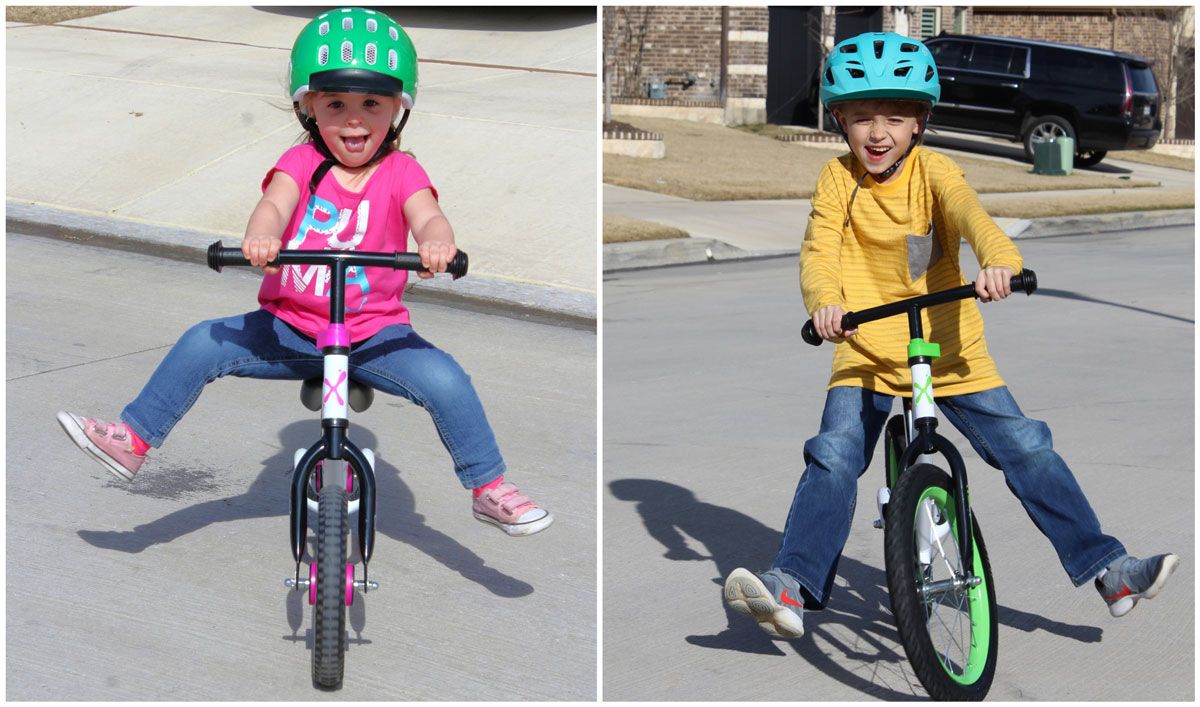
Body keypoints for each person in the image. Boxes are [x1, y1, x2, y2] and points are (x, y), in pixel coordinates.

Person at [723, 32, 1175, 639]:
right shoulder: (836, 181)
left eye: (894, 116)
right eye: (861, 118)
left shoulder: (936, 171)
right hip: (863, 347)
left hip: (950, 352)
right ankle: (791, 588)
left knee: (1027, 447)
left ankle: (1109, 569)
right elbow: (819, 252)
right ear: (840, 122)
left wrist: (1000, 262)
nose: (877, 132)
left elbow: (971, 216)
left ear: (919, 122)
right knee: (832, 454)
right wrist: (825, 302)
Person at [57, 7, 552, 537]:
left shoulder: (402, 171)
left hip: (375, 334)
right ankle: (133, 440)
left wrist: (437, 245)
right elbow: (275, 202)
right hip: (289, 327)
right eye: (335, 103)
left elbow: (427, 214)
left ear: (397, 109)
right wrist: (261, 235)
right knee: (202, 342)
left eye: (372, 103)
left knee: (448, 381)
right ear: (309, 108)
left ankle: (488, 486)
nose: (354, 119)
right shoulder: (300, 163)